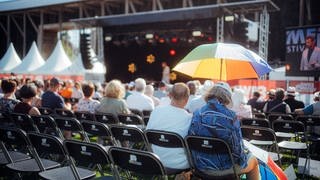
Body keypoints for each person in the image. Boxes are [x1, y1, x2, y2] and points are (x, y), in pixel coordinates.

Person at [188, 82, 260, 180]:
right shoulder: (231, 117)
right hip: (223, 168)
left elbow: (192, 140)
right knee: (254, 161)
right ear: (227, 97)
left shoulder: (197, 113)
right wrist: (244, 158)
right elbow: (237, 151)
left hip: (200, 166)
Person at [146, 82, 192, 170]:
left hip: (156, 160)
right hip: (180, 164)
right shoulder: (189, 118)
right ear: (187, 99)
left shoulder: (156, 111)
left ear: (170, 96)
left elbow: (147, 134)